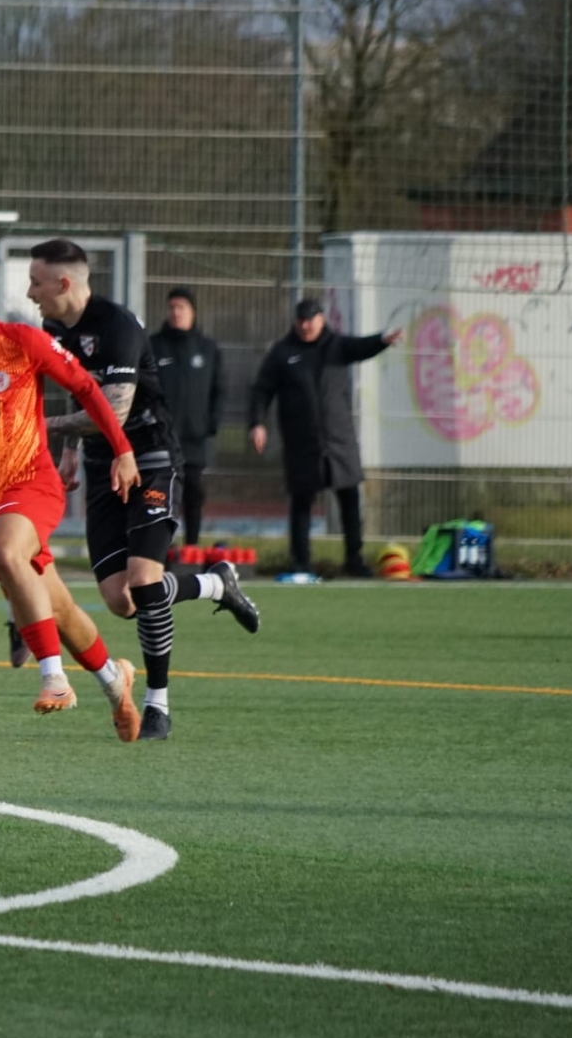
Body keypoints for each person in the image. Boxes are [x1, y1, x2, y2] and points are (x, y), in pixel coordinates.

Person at [30, 240, 261, 742]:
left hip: (151, 457)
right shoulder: (54, 330)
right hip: (100, 465)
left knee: (143, 581)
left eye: (36, 282)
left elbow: (112, 410)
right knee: (121, 600)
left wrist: (40, 427)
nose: (30, 293)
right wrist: (69, 449)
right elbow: (77, 389)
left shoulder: (118, 326)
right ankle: (216, 585)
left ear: (64, 283)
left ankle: (158, 703)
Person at [0, 255, 143, 739]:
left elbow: (88, 388)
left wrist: (122, 450)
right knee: (56, 608)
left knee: (7, 552)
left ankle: (53, 678)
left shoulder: (23, 341)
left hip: (30, 482)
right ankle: (113, 680)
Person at [249, 299, 404, 578]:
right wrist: (257, 424)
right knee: (301, 502)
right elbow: (262, 390)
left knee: (349, 500)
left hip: (339, 440)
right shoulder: (283, 352)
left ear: (321, 320)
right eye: (301, 320)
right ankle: (300, 562)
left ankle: (354, 560)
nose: (306, 326)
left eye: (311, 320)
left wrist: (382, 340)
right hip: (301, 442)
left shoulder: (336, 347)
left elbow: (360, 346)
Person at [149, 288, 222, 549]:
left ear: (192, 311)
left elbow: (218, 389)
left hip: (194, 438)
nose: (176, 312)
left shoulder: (207, 348)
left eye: (181, 307)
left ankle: (191, 547)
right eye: (172, 307)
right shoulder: (154, 346)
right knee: (161, 494)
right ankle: (161, 547)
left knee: (193, 492)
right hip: (161, 437)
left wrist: (210, 424)